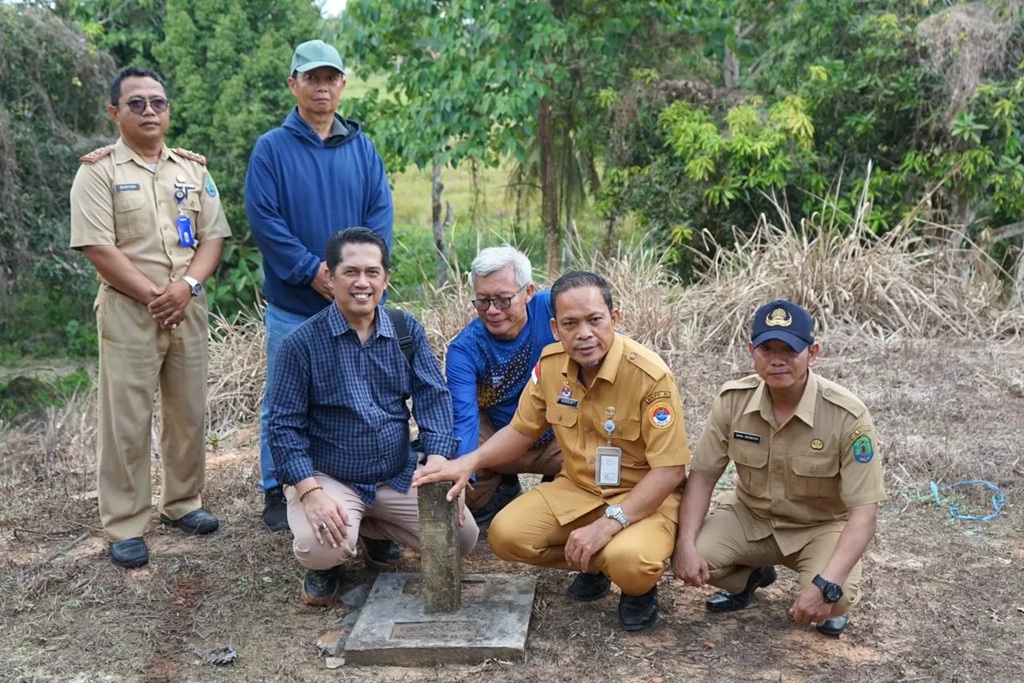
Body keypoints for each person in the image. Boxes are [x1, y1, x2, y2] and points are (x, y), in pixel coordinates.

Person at [415, 270, 689, 631]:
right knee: (505, 535)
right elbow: (521, 430)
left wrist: (609, 524)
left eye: (595, 320)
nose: (584, 333)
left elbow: (670, 470)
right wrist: (469, 461)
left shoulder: (650, 376)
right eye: (570, 324)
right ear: (555, 328)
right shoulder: (550, 364)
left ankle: (636, 586)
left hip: (643, 497)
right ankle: (598, 564)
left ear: (615, 318)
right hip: (579, 489)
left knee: (631, 561)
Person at [69, 66, 230, 568]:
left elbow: (213, 237)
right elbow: (97, 247)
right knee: (127, 420)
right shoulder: (97, 172)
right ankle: (125, 522)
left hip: (188, 306)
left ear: (168, 110)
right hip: (128, 311)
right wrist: (155, 296)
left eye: (157, 102)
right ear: (114, 112)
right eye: (136, 103)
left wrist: (186, 288)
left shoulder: (192, 170)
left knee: (188, 413)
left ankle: (182, 503)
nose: (149, 111)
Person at [266, 227, 478, 605]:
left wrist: (439, 460)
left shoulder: (404, 330)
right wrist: (310, 492)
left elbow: (433, 396)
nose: (362, 283)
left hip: (395, 473)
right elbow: (283, 427)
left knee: (461, 538)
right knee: (321, 547)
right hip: (331, 477)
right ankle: (328, 563)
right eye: (350, 272)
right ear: (330, 277)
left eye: (372, 272)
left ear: (386, 279)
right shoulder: (302, 344)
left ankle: (372, 530)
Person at [245, 39, 394, 537]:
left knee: (361, 392)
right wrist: (314, 271)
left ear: (343, 85)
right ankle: (277, 485)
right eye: (311, 78)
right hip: (295, 302)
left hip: (356, 305)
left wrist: (360, 276)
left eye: (330, 78)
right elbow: (265, 221)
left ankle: (359, 482)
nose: (322, 87)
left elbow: (379, 216)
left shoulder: (362, 149)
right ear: (294, 84)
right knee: (283, 397)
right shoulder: (271, 149)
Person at [672, 300, 885, 637]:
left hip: (819, 527)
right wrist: (685, 543)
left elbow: (864, 513)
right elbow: (702, 478)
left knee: (837, 597)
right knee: (691, 557)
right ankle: (751, 577)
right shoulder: (733, 401)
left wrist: (826, 585)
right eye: (767, 349)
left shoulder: (847, 415)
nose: (777, 359)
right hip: (751, 517)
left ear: (812, 353)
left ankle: (825, 594)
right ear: (751, 351)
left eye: (790, 349)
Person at [446, 246, 563, 524]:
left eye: (503, 300)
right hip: (500, 438)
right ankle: (497, 489)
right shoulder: (464, 349)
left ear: (528, 292)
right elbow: (464, 419)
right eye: (483, 301)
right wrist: (463, 477)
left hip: (560, 433)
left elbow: (603, 338)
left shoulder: (555, 307)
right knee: (453, 452)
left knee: (598, 465)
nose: (493, 311)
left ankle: (557, 489)